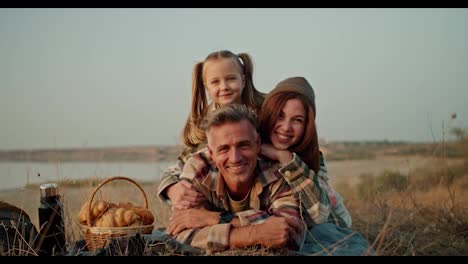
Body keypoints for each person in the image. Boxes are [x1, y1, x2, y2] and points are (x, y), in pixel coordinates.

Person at [168, 77, 374, 255]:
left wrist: (212, 219)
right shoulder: (215, 154)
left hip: (325, 225)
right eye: (280, 116)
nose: (285, 127)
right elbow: (180, 226)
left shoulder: (296, 162)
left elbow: (304, 221)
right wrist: (172, 186)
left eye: (298, 120)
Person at [167, 104, 304, 253]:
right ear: (211, 153)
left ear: (258, 144)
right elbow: (180, 234)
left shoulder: (277, 171)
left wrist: (214, 219)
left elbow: (289, 232)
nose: (235, 158)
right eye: (223, 149)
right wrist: (256, 234)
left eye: (243, 145)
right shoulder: (198, 167)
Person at [157, 50, 265, 209]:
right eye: (215, 82)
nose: (224, 87)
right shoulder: (204, 124)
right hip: (221, 203)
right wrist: (171, 188)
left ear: (242, 79)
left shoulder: (264, 111)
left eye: (231, 79)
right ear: (206, 86)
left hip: (263, 196)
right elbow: (181, 165)